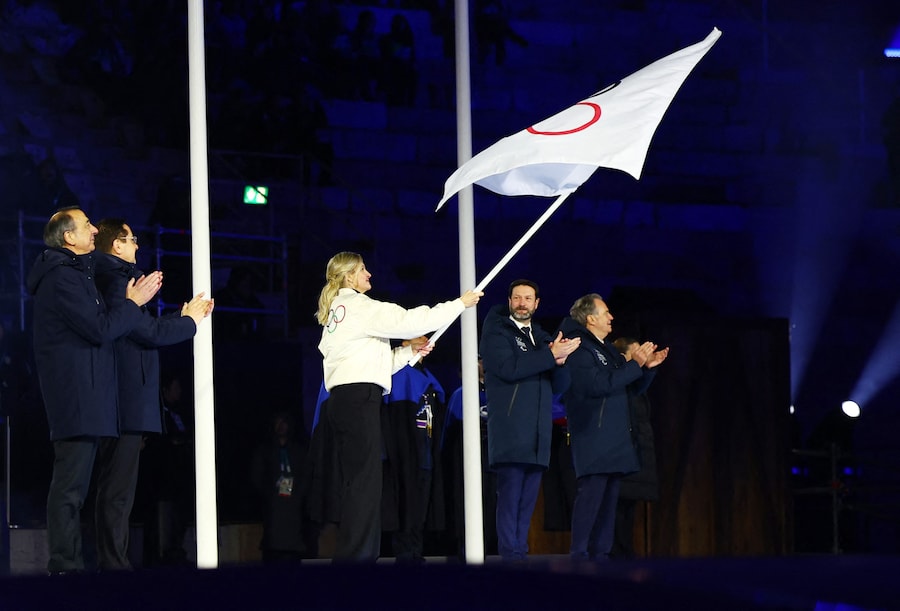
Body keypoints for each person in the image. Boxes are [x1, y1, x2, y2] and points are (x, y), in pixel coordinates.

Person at [315, 251, 481, 562]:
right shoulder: (359, 306)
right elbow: (409, 321)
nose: (369, 274)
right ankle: (357, 560)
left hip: (347, 400)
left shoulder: (339, 313)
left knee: (359, 483)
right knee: (364, 484)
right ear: (348, 276)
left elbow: (373, 363)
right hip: (359, 400)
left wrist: (409, 353)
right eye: (362, 269)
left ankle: (355, 557)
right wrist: (459, 304)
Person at [26, 207, 162, 574]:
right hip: (76, 397)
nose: (94, 229)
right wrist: (133, 304)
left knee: (77, 490)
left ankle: (72, 566)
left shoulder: (76, 274)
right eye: (87, 224)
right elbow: (100, 329)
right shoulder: (62, 278)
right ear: (69, 237)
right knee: (70, 489)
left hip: (86, 397)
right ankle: (65, 567)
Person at [92, 217, 213, 571]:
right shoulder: (116, 280)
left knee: (118, 491)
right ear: (117, 244)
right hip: (123, 401)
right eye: (132, 239)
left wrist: (181, 317)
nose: (137, 245)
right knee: (116, 492)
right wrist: (189, 321)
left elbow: (145, 328)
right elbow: (148, 333)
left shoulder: (116, 278)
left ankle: (114, 564)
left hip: (124, 401)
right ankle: (113, 567)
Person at [558, 294, 668, 562]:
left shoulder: (605, 348)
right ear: (590, 318)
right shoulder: (578, 347)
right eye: (606, 312)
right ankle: (580, 555)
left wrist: (647, 369)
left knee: (608, 504)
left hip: (614, 439)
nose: (611, 317)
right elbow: (598, 385)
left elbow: (628, 389)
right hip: (594, 437)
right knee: (591, 498)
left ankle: (601, 556)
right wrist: (634, 364)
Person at [479, 279, 580, 562]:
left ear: (537, 303)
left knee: (527, 502)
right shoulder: (497, 332)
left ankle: (519, 554)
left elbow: (558, 385)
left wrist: (561, 362)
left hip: (538, 433)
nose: (522, 303)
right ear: (509, 301)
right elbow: (508, 368)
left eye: (527, 298)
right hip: (511, 429)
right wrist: (550, 355)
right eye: (517, 298)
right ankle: (510, 555)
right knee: (510, 497)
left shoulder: (542, 337)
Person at [381, 351, 445, 564]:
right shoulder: (400, 376)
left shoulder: (429, 379)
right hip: (406, 455)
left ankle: (415, 551)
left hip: (425, 454)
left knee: (421, 507)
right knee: (406, 504)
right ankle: (405, 553)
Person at [610, 336, 661, 559]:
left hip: (637, 451)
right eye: (637, 353)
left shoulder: (633, 382)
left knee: (629, 506)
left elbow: (638, 391)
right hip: (621, 451)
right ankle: (615, 552)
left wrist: (649, 369)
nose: (642, 356)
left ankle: (625, 550)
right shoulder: (617, 379)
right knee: (616, 506)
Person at [250, 410, 313, 564]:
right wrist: (270, 494)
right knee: (274, 545)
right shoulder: (265, 451)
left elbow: (306, 475)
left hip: (294, 507)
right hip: (273, 506)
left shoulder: (299, 451)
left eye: (284, 422)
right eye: (278, 422)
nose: (281, 426)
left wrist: (298, 495)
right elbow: (257, 476)